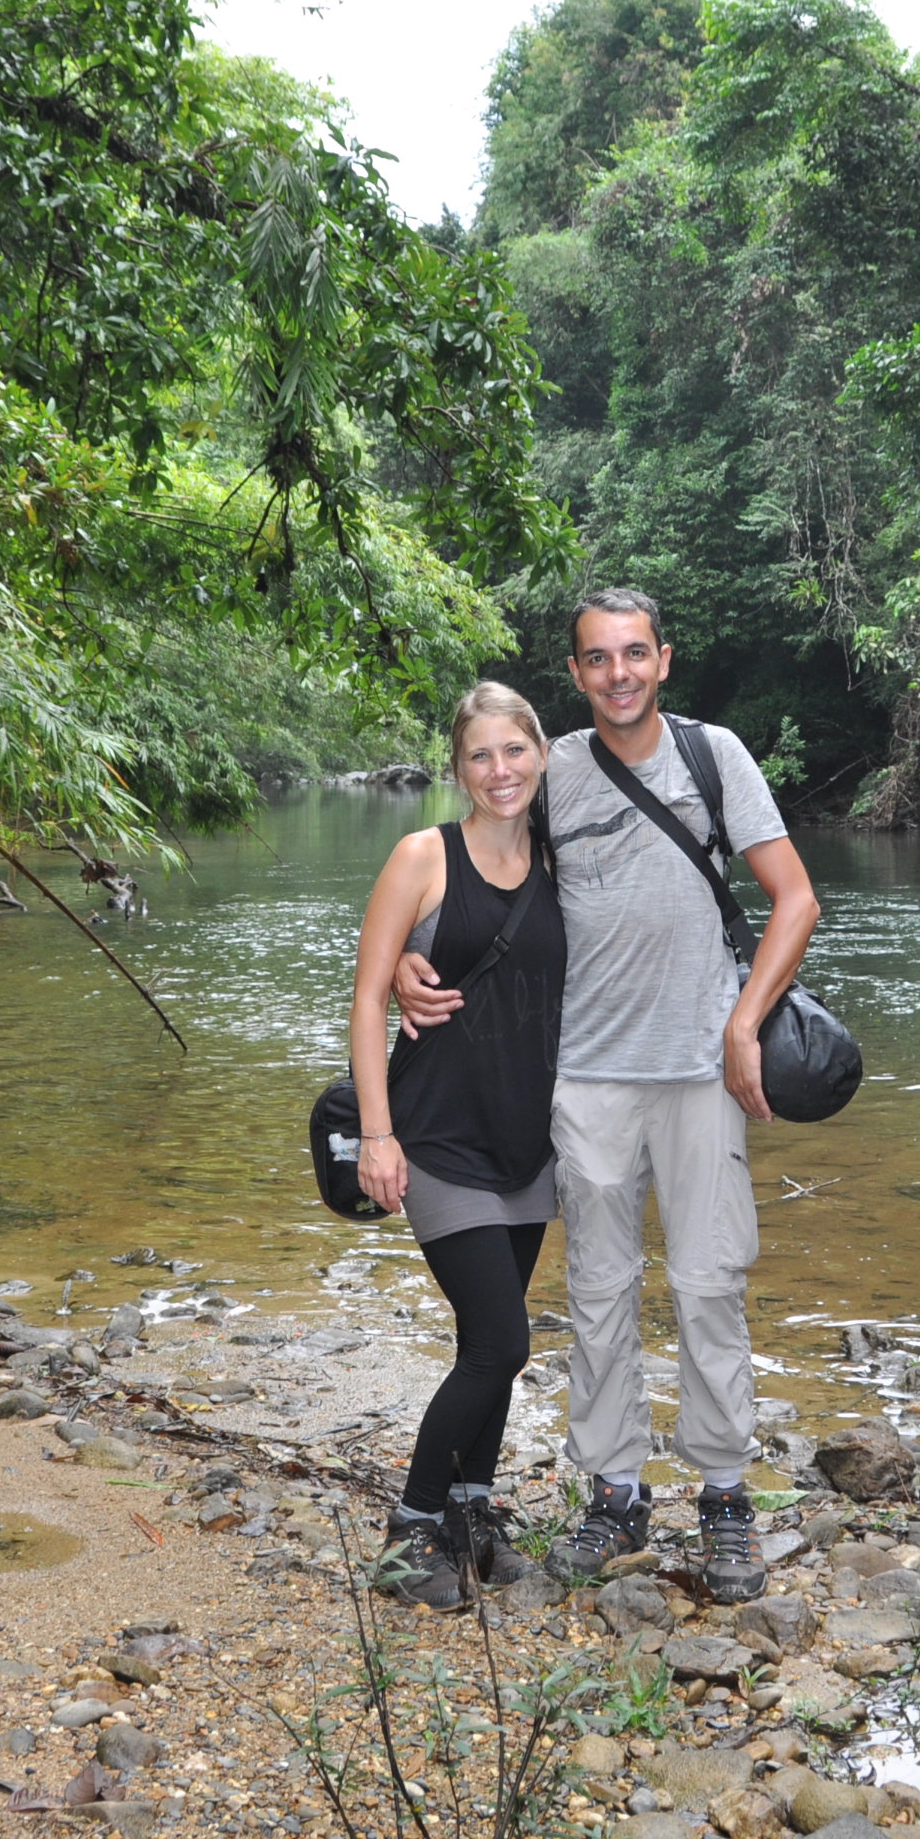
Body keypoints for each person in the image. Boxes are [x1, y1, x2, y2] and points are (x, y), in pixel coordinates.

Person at [397, 588, 820, 1605]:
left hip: (700, 1073)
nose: (619, 672)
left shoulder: (716, 757)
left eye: (635, 654)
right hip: (582, 1078)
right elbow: (480, 870)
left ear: (663, 660)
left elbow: (795, 898)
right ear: (577, 675)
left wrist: (741, 1024)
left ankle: (723, 1497)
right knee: (597, 1294)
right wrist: (413, 959)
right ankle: (616, 1491)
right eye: (598, 658)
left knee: (711, 1283)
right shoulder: (558, 771)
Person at [346, 681, 567, 1608]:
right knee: (500, 1344)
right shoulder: (422, 856)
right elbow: (365, 999)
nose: (499, 771)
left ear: (541, 755)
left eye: (513, 752)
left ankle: (473, 1523)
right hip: (436, 1136)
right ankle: (409, 1532)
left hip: (531, 1143)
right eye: (480, 756)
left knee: (494, 1340)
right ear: (458, 768)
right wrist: (377, 1135)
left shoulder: (564, 859)